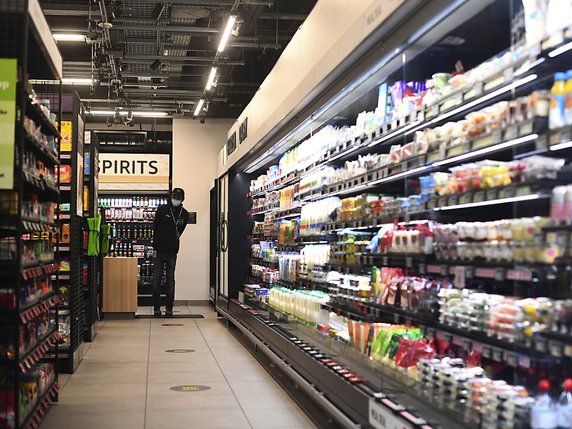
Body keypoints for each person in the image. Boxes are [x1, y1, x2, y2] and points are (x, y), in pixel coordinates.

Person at [151, 187, 190, 317]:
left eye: (178, 197)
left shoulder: (184, 214)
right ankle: (156, 308)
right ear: (171, 197)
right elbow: (155, 226)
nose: (176, 199)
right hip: (159, 250)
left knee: (170, 280)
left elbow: (180, 231)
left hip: (172, 252)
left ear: (183, 198)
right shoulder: (162, 209)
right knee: (156, 280)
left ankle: (169, 308)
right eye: (174, 196)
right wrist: (157, 243)